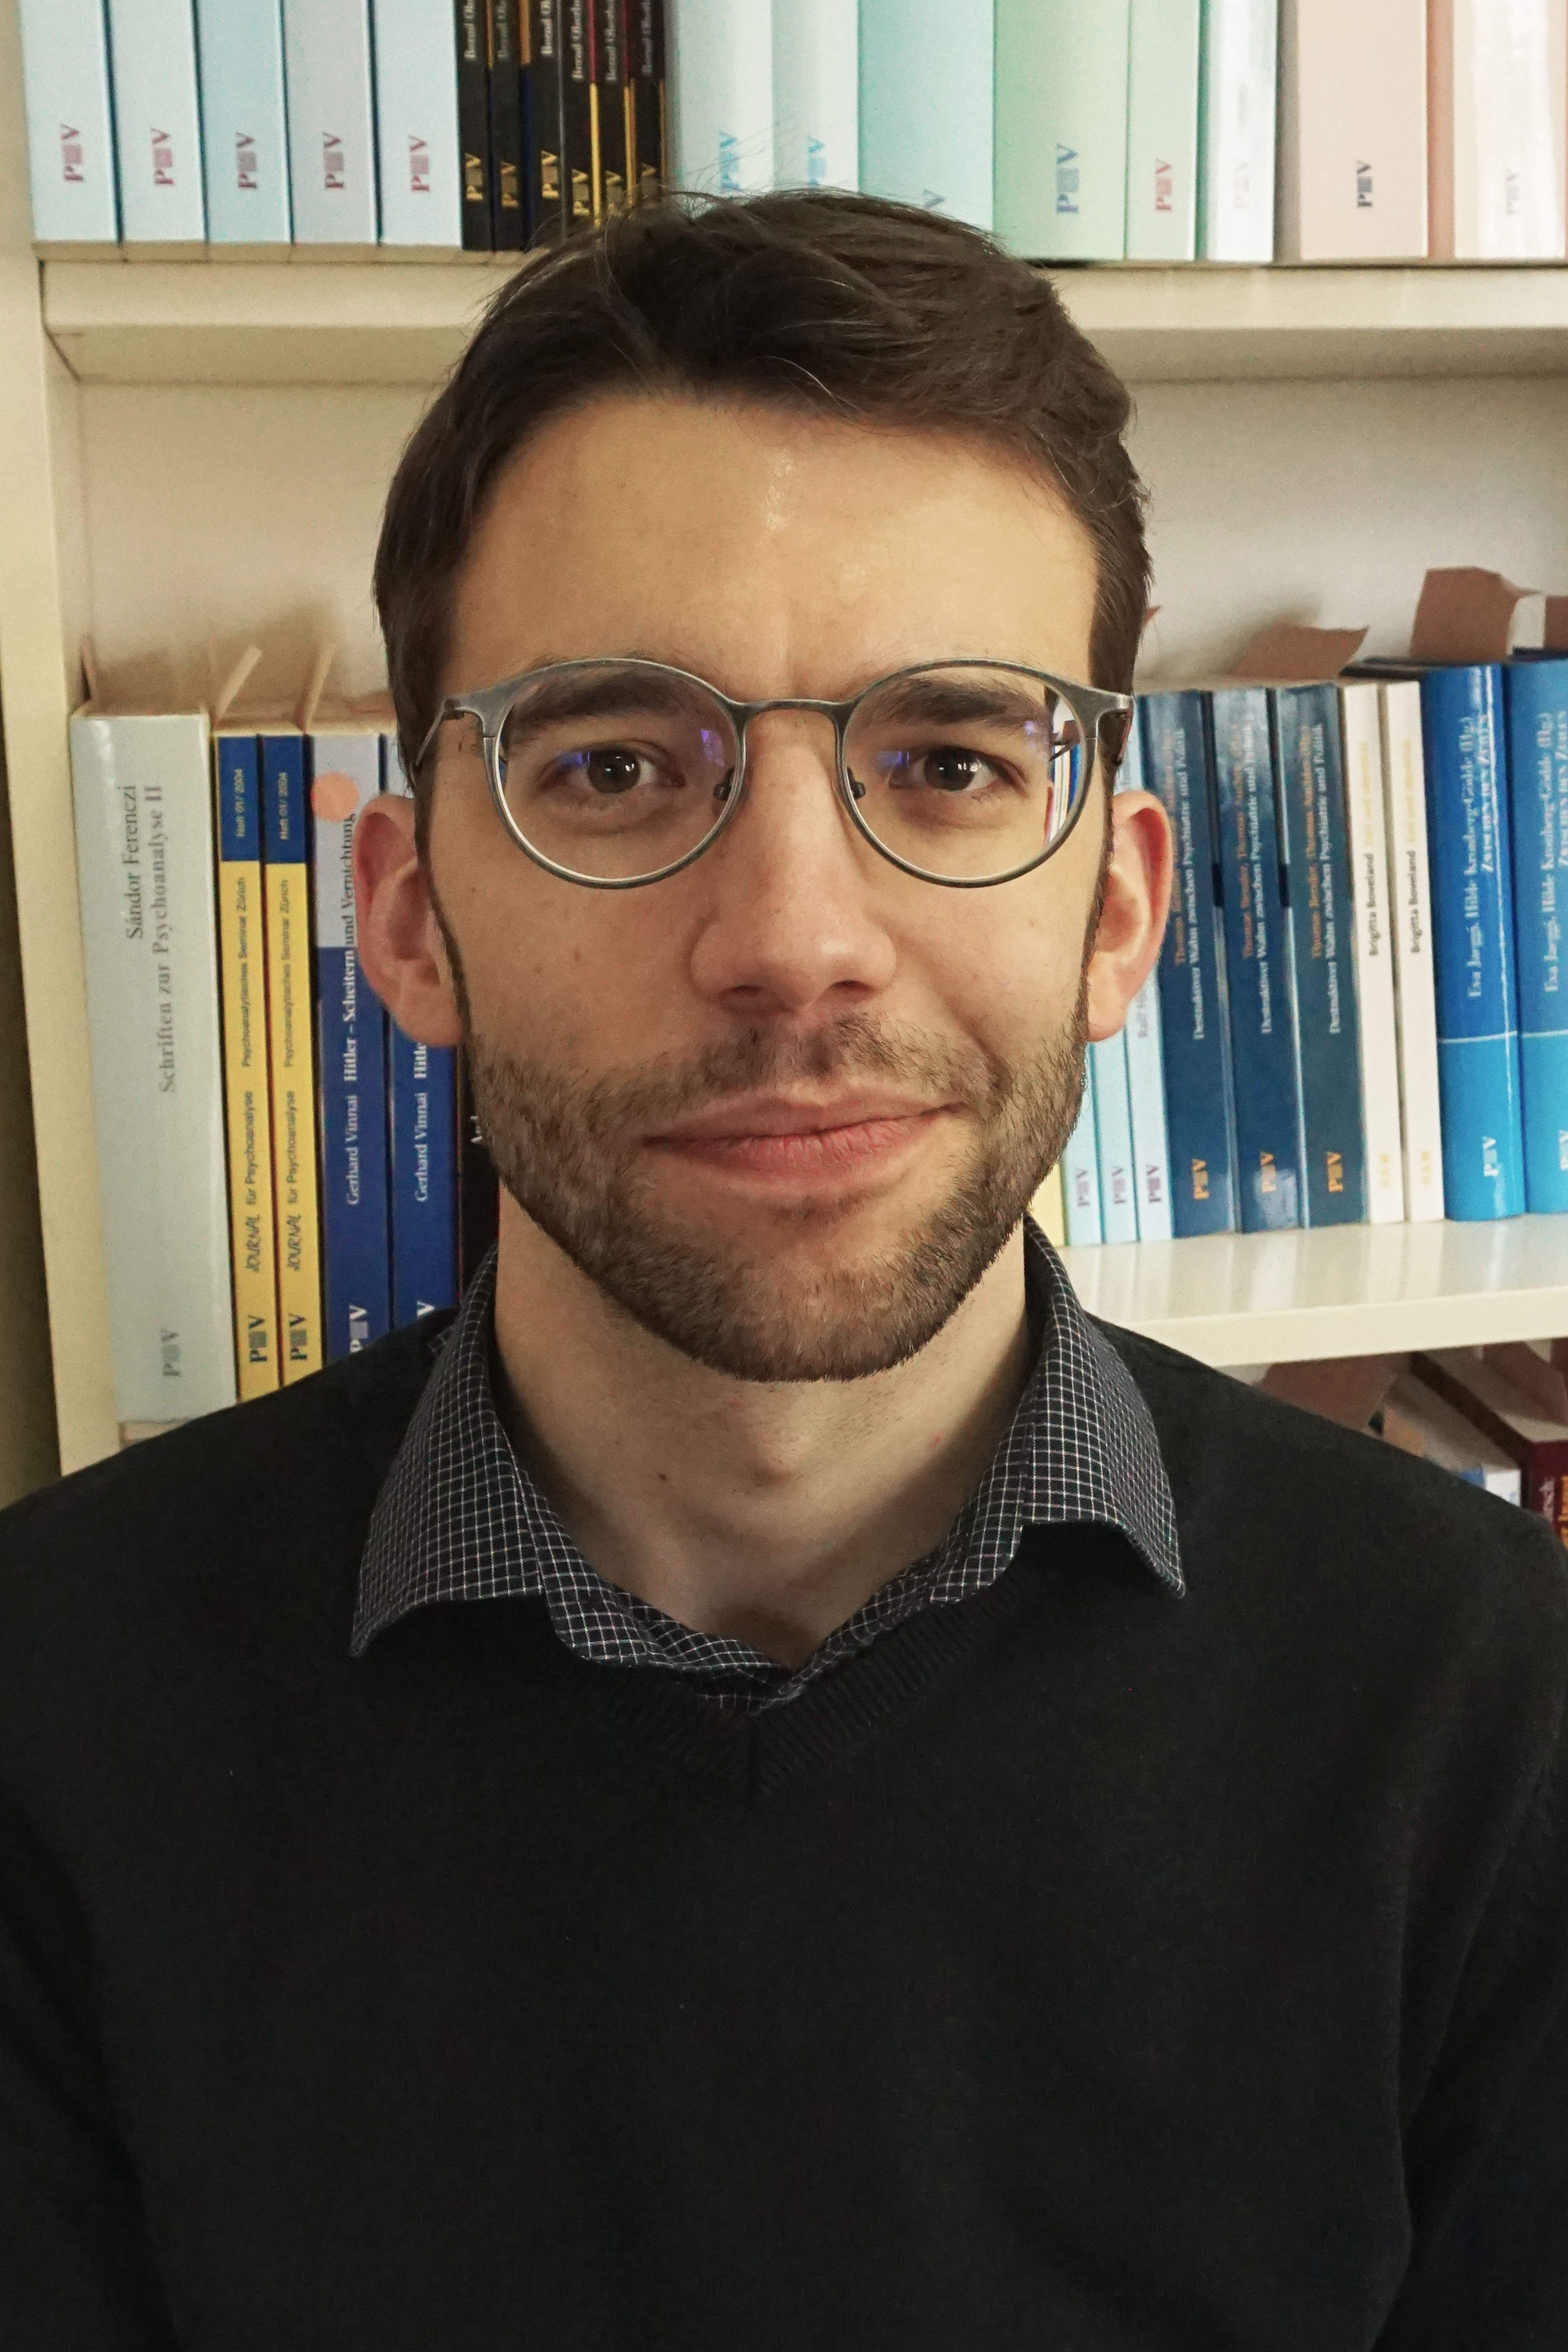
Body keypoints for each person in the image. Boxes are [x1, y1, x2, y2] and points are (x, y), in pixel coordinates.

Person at [1, 191, 1565, 2352]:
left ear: (1118, 914)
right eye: (618, 769)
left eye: (950, 762)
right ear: (409, 920)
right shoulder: (48, 1719)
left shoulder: (1500, 1718)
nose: (796, 942)